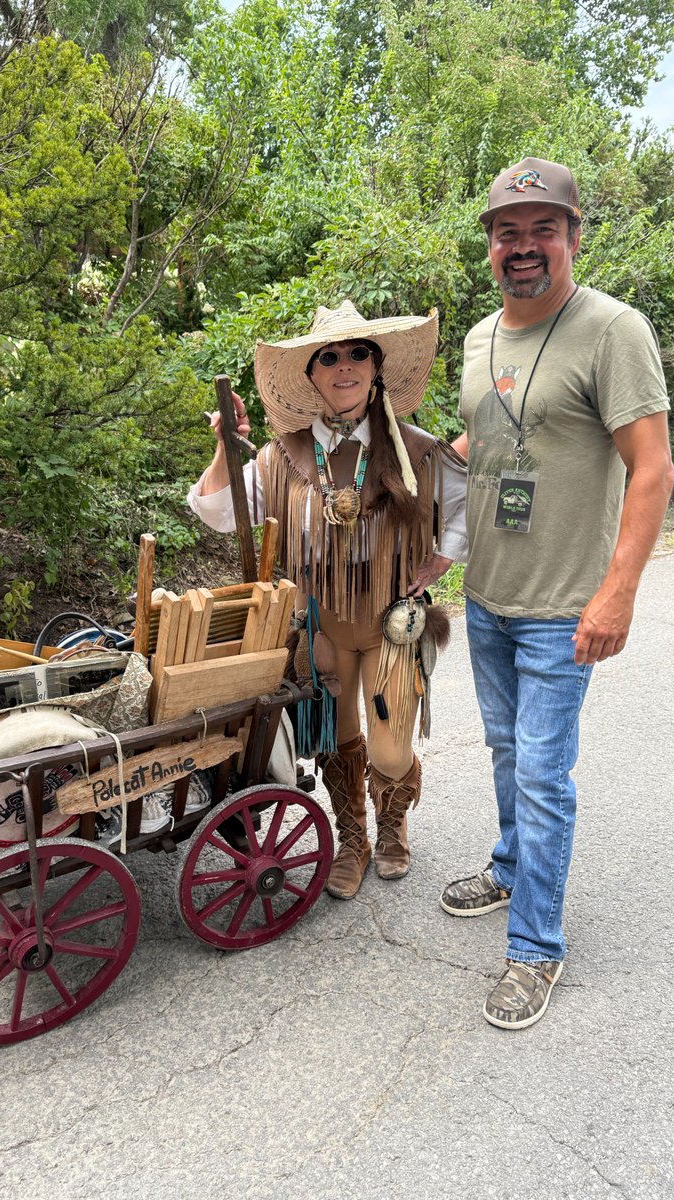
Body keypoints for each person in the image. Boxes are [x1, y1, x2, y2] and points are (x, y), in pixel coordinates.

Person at [439, 156, 674, 1029]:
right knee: (506, 751)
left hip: (563, 605)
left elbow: (652, 469)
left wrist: (618, 594)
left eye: (544, 228)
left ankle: (536, 949)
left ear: (574, 236)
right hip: (489, 594)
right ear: (490, 248)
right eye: (508, 231)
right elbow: (479, 447)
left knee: (543, 774)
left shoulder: (613, 330)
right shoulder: (477, 338)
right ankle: (509, 869)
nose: (524, 245)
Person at [188, 301, 467, 899]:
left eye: (358, 353)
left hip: (392, 622)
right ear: (311, 375)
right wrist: (228, 448)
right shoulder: (284, 456)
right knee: (340, 739)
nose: (345, 366)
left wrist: (442, 558)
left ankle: (393, 826)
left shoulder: (414, 449)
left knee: (391, 743)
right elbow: (214, 512)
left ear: (377, 367)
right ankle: (354, 838)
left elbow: (467, 505)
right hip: (320, 627)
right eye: (329, 357)